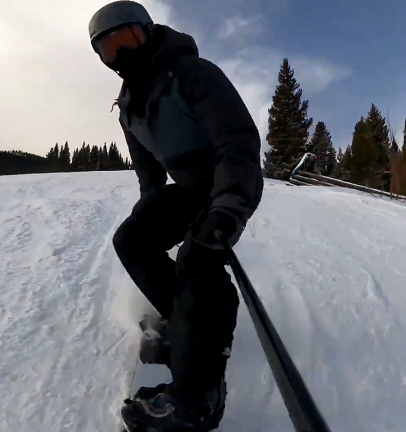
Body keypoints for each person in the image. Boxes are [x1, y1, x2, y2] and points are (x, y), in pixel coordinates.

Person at [89, 1, 263, 431]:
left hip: (224, 183)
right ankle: (186, 323)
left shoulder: (193, 74)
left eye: (128, 40)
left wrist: (227, 208)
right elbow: (148, 171)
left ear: (148, 33)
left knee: (198, 258)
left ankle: (197, 397)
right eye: (111, 50)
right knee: (132, 240)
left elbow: (238, 142)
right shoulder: (130, 104)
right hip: (185, 191)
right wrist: (149, 208)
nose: (123, 55)